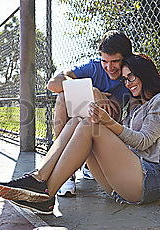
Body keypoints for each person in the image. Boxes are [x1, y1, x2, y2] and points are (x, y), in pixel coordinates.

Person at [0, 54, 160, 215]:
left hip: (150, 180)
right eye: (125, 79)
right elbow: (126, 141)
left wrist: (108, 122)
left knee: (91, 125)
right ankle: (39, 178)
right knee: (77, 121)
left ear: (144, 75)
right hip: (123, 183)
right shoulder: (137, 104)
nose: (127, 84)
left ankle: (46, 194)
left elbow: (143, 142)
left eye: (131, 77)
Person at [46, 30, 133, 196]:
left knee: (104, 108)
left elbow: (113, 107)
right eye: (105, 61)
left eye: (115, 61)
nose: (109, 67)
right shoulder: (94, 67)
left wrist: (99, 99)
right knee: (63, 97)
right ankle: (67, 173)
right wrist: (91, 90)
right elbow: (53, 84)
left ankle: (89, 162)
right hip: (82, 117)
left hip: (109, 124)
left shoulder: (130, 74)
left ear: (126, 59)